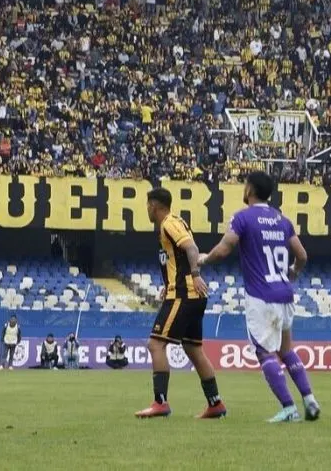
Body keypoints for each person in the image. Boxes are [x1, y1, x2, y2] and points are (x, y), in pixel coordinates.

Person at [199, 171, 320, 423]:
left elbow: (224, 249)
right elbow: (303, 255)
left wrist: (205, 259)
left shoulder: (243, 218)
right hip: (285, 293)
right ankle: (309, 400)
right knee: (286, 350)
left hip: (261, 296)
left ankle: (289, 408)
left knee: (265, 353)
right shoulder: (281, 219)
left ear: (250, 190)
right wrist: (293, 273)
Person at [135, 188, 226, 419]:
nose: (147, 209)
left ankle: (160, 402)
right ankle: (215, 404)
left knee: (155, 345)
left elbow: (192, 248)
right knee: (193, 349)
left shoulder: (169, 223)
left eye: (148, 205)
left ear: (154, 205)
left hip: (184, 293)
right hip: (189, 294)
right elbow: (178, 258)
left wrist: (194, 275)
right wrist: (169, 282)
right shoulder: (171, 225)